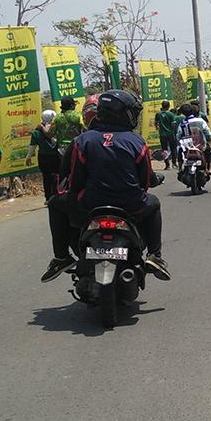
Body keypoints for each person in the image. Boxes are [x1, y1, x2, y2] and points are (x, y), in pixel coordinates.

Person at [51, 90, 169, 281]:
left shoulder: (82, 141)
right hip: (131, 205)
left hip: (89, 205)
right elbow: (146, 181)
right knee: (154, 203)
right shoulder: (137, 142)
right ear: (123, 113)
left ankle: (61, 257)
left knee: (55, 203)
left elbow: (72, 180)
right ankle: (155, 255)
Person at [40, 98, 99, 281]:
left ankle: (61, 256)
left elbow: (50, 134)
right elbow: (84, 129)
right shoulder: (77, 118)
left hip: (63, 151)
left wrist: (41, 127)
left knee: (61, 190)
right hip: (82, 147)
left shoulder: (58, 119)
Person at [28, 109, 59, 202]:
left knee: (46, 177)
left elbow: (32, 147)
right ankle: (56, 194)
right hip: (56, 156)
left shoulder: (36, 132)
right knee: (57, 175)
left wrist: (28, 157)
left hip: (43, 157)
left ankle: (48, 197)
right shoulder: (57, 129)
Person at [177, 103, 211, 173]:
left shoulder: (182, 123)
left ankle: (180, 169)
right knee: (210, 150)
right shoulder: (200, 121)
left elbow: (178, 135)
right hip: (201, 146)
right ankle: (209, 170)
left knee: (180, 151)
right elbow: (207, 132)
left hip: (186, 147)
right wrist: (209, 138)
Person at [155, 100, 179, 170]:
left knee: (164, 149)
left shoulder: (158, 114)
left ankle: (167, 165)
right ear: (168, 106)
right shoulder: (171, 114)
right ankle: (174, 163)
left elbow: (156, 123)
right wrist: (172, 130)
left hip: (162, 134)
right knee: (173, 148)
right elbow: (173, 124)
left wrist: (158, 128)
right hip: (170, 134)